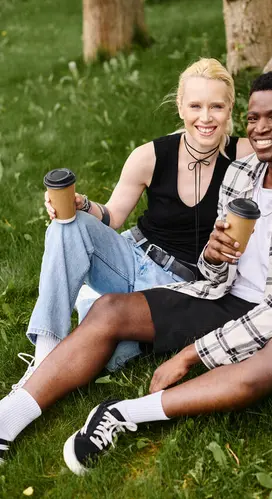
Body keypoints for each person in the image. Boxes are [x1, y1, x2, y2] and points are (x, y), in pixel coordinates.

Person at [0, 70, 272, 474]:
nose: (261, 129)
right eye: (255, 118)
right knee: (110, 310)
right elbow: (212, 272)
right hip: (226, 297)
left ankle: (124, 413)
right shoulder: (243, 173)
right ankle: (8, 416)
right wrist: (215, 256)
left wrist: (192, 353)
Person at [8, 57, 253, 387]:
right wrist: (83, 205)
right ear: (180, 107)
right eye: (195, 105)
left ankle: (97, 313)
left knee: (96, 357)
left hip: (178, 289)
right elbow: (112, 216)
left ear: (230, 108)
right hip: (131, 258)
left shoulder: (247, 157)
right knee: (68, 224)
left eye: (216, 107)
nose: (205, 118)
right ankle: (44, 355)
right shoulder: (149, 156)